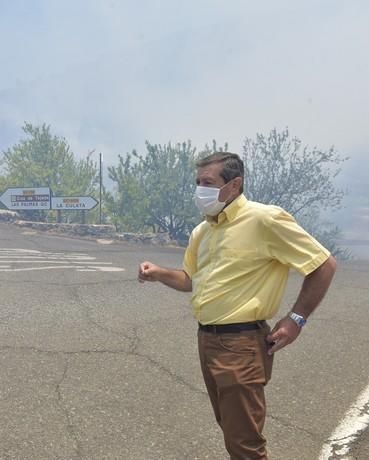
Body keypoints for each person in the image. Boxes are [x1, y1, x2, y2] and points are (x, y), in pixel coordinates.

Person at [137, 152, 336, 459]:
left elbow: (323, 265)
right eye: (197, 182)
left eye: (208, 182)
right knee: (232, 431)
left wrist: (296, 319)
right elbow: (190, 279)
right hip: (207, 340)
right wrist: (159, 274)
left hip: (241, 344)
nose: (199, 190)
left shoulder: (264, 219)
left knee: (245, 443)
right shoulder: (203, 231)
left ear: (234, 185)